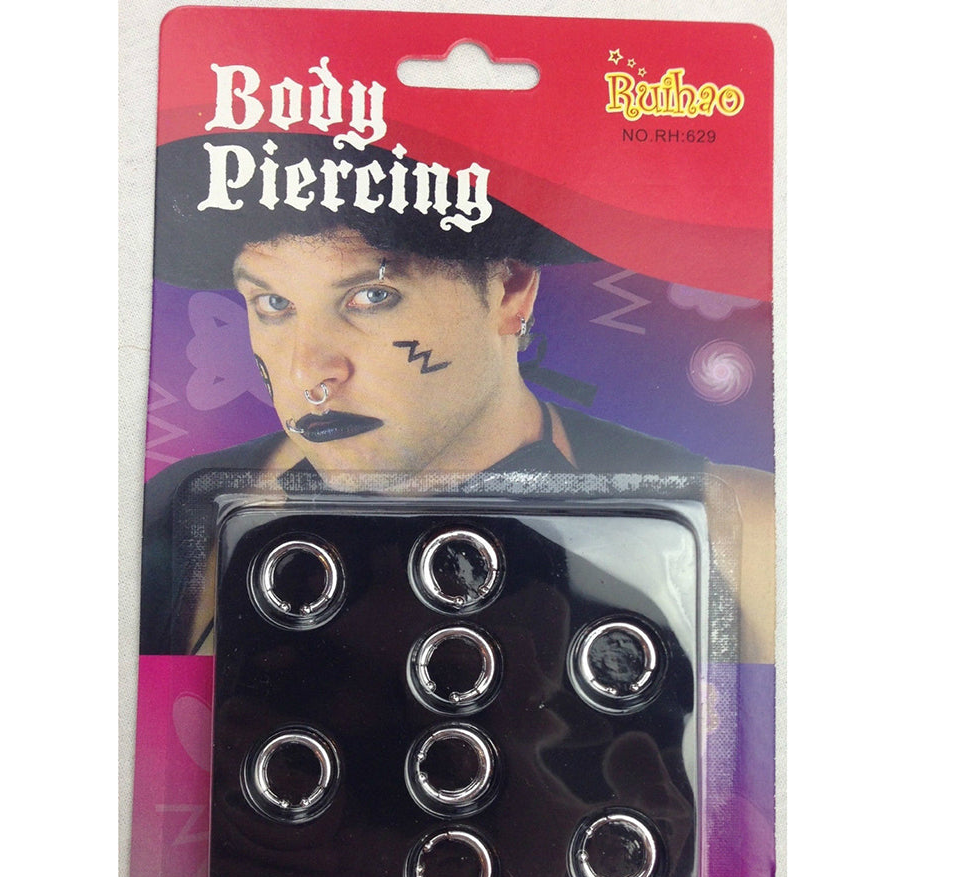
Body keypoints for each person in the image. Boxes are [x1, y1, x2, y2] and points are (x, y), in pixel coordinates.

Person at [141, 134, 774, 660]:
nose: (310, 372)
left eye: (372, 297)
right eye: (274, 303)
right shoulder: (186, 514)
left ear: (510, 292)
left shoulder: (739, 532)